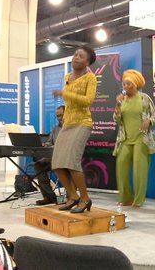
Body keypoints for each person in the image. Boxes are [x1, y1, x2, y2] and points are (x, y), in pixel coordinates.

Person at [51, 46, 97, 213]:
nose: (76, 57)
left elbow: (88, 101)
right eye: (75, 54)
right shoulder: (67, 76)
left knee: (72, 163)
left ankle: (85, 199)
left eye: (81, 56)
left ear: (87, 62)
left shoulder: (90, 78)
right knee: (57, 163)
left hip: (82, 123)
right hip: (68, 124)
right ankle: (73, 196)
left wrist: (64, 94)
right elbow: (69, 101)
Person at [113, 70, 155, 207]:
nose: (125, 86)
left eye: (128, 84)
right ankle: (125, 198)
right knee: (121, 167)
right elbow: (116, 119)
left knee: (140, 171)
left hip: (142, 138)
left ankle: (138, 200)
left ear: (136, 85)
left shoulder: (144, 98)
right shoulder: (122, 100)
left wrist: (149, 121)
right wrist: (118, 105)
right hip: (125, 139)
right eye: (124, 84)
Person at [34, 106, 65, 206]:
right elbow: (49, 142)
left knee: (59, 165)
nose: (59, 118)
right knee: (38, 165)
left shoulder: (72, 128)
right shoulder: (55, 129)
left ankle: (71, 196)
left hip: (66, 159)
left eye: (61, 115)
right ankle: (49, 196)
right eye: (57, 116)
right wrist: (44, 145)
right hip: (53, 158)